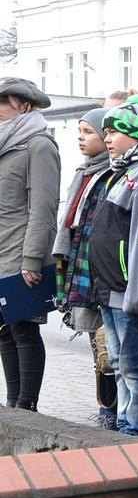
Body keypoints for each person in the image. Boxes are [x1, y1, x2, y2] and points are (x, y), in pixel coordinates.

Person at [90, 96, 138, 438]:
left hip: (128, 290)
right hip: (109, 288)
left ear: (135, 134)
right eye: (105, 132)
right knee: (119, 364)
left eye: (115, 131)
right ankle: (123, 425)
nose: (107, 138)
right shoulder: (121, 172)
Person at [52, 106, 118, 428]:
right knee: (98, 346)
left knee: (113, 351)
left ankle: (115, 413)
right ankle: (105, 409)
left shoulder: (111, 175)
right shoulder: (84, 173)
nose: (81, 137)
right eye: (80, 131)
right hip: (82, 268)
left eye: (88, 132)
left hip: (100, 271)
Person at [0, 78, 60, 412]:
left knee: (23, 329)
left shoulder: (38, 144)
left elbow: (43, 206)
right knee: (5, 331)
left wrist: (32, 258)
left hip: (22, 253)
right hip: (1, 249)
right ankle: (12, 407)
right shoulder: (5, 143)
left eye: (1, 103)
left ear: (22, 105)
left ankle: (27, 406)